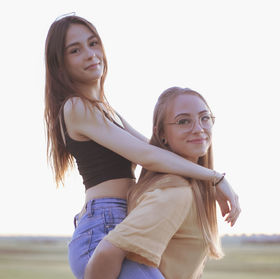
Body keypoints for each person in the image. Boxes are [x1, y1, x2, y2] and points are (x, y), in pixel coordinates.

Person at [44, 15, 240, 279]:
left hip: (123, 218)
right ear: (60, 64)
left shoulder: (106, 110)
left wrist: (209, 178)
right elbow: (147, 156)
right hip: (100, 230)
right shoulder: (75, 107)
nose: (90, 54)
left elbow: (156, 148)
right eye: (75, 50)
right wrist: (215, 178)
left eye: (93, 43)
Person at [85, 87, 229, 279]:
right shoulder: (175, 192)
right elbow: (106, 253)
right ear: (162, 134)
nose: (199, 128)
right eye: (183, 121)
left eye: (205, 118)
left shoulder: (192, 188)